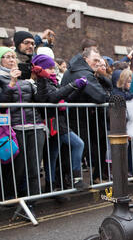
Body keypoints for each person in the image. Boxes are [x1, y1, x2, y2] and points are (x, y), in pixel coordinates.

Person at [31, 54, 89, 191]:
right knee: (78, 144)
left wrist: (78, 88)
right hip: (53, 122)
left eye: (53, 68)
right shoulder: (42, 81)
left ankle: (50, 186)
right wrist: (73, 85)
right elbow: (52, 98)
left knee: (52, 155)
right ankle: (76, 179)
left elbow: (65, 98)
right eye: (50, 68)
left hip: (58, 122)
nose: (53, 71)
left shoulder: (51, 81)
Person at [0, 47, 46, 206]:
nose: (12, 60)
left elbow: (40, 100)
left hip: (35, 125)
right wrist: (11, 82)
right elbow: (2, 102)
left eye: (13, 57)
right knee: (16, 169)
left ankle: (33, 201)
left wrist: (41, 80)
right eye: (7, 57)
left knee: (34, 166)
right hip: (14, 128)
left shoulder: (25, 79)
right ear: (1, 61)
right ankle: (13, 199)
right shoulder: (1, 79)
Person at [62, 47, 110, 184]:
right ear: (85, 59)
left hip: (75, 117)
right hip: (77, 118)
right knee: (78, 149)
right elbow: (100, 96)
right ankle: (69, 181)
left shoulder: (76, 70)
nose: (97, 63)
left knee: (72, 150)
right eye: (95, 60)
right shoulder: (84, 73)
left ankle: (66, 181)